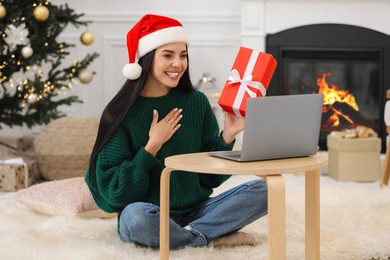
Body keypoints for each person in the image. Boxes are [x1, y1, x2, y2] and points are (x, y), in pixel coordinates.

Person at [85, 14, 268, 250]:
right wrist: (151, 147)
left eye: (183, 56)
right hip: (149, 214)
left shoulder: (196, 102)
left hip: (198, 211)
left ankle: (188, 237)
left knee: (266, 190)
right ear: (147, 59)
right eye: (168, 55)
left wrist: (227, 135)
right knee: (134, 217)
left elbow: (208, 178)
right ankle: (207, 237)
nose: (178, 64)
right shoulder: (120, 114)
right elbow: (116, 196)